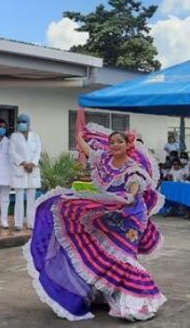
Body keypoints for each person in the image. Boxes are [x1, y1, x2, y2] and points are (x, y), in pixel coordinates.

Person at [24, 129, 166, 321]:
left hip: (130, 216)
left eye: (119, 142)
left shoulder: (133, 168)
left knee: (123, 255)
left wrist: (128, 196)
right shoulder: (104, 160)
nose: (115, 145)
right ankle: (103, 291)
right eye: (112, 142)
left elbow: (133, 190)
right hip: (110, 211)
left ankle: (138, 301)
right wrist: (79, 134)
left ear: (128, 145)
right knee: (98, 249)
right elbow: (88, 150)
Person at [10, 114, 42, 231]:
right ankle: (18, 223)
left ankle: (31, 222)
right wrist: (24, 163)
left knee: (31, 197)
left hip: (32, 169)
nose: (21, 123)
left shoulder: (35, 136)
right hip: (21, 168)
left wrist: (32, 163)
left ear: (28, 123)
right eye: (19, 121)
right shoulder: (14, 136)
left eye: (23, 121)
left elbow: (38, 150)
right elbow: (12, 152)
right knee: (19, 197)